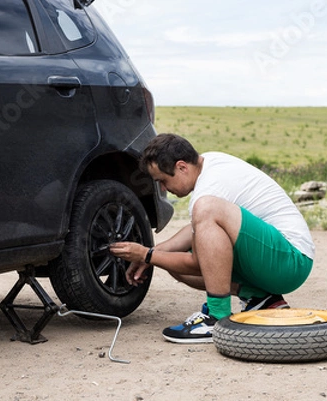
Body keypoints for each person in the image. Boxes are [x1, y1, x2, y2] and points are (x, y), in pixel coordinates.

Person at [109, 134, 315, 343]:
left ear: (181, 167)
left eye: (163, 180)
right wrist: (156, 252)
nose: (163, 188)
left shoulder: (208, 191)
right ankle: (259, 297)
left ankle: (217, 317)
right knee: (172, 253)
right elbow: (199, 230)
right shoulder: (209, 163)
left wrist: (147, 255)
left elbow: (199, 263)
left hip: (291, 261)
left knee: (204, 211)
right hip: (277, 259)